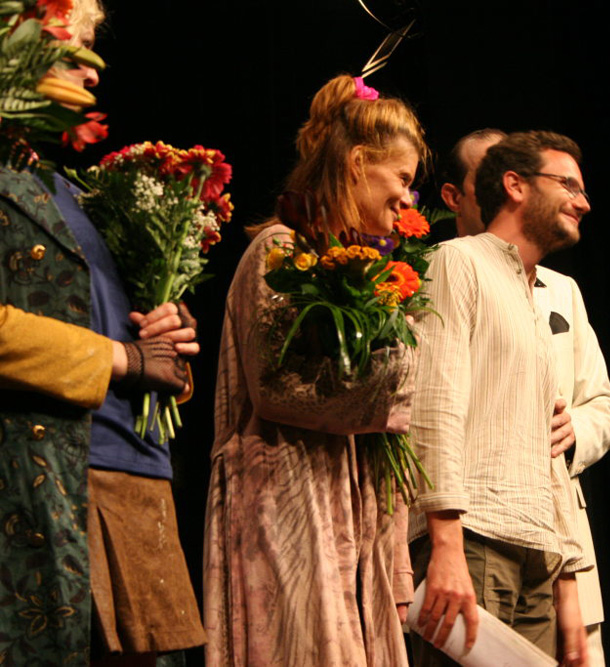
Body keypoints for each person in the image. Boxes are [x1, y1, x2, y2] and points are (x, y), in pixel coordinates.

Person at [202, 74, 429, 666]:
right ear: (358, 164)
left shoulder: (363, 271)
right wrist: (394, 391)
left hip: (353, 514)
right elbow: (277, 388)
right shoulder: (280, 253)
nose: (409, 199)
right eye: (402, 178)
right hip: (287, 504)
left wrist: (395, 567)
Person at [0, 1, 203, 664]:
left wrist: (169, 336)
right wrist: (123, 358)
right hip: (44, 482)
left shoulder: (75, 192)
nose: (93, 73)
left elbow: (119, 323)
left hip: (137, 481)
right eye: (74, 51)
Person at [439, 128, 610, 665]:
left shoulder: (554, 291)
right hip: (478, 527)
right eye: (568, 185)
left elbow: (600, 405)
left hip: (550, 541)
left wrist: (567, 577)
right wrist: (445, 541)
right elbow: (435, 413)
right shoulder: (451, 264)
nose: (582, 202)